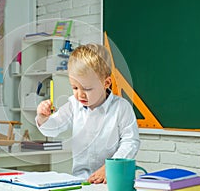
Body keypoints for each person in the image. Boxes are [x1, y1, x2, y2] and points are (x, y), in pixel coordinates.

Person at [36, 43, 140, 184]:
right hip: (81, 181)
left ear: (106, 83)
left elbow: (130, 142)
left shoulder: (121, 107)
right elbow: (53, 129)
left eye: (87, 88)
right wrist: (43, 117)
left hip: (112, 179)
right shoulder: (74, 105)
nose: (80, 95)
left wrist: (109, 168)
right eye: (75, 87)